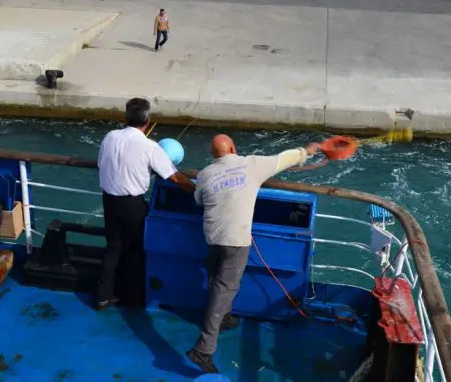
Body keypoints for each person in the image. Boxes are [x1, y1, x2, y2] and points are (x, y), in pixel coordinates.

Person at [185, 135, 320, 374]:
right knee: (224, 288)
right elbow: (283, 159)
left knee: (216, 278)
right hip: (236, 240)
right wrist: (306, 150)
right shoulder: (251, 164)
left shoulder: (205, 173)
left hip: (213, 237)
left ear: (213, 153)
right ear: (234, 149)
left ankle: (224, 317)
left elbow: (198, 198)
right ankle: (203, 349)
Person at [96, 98, 195, 310]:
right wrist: (199, 192)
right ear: (147, 122)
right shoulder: (150, 147)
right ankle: (133, 297)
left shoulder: (109, 137)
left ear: (125, 118)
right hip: (132, 204)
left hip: (109, 200)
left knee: (113, 247)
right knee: (136, 249)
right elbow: (175, 177)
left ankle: (103, 294)